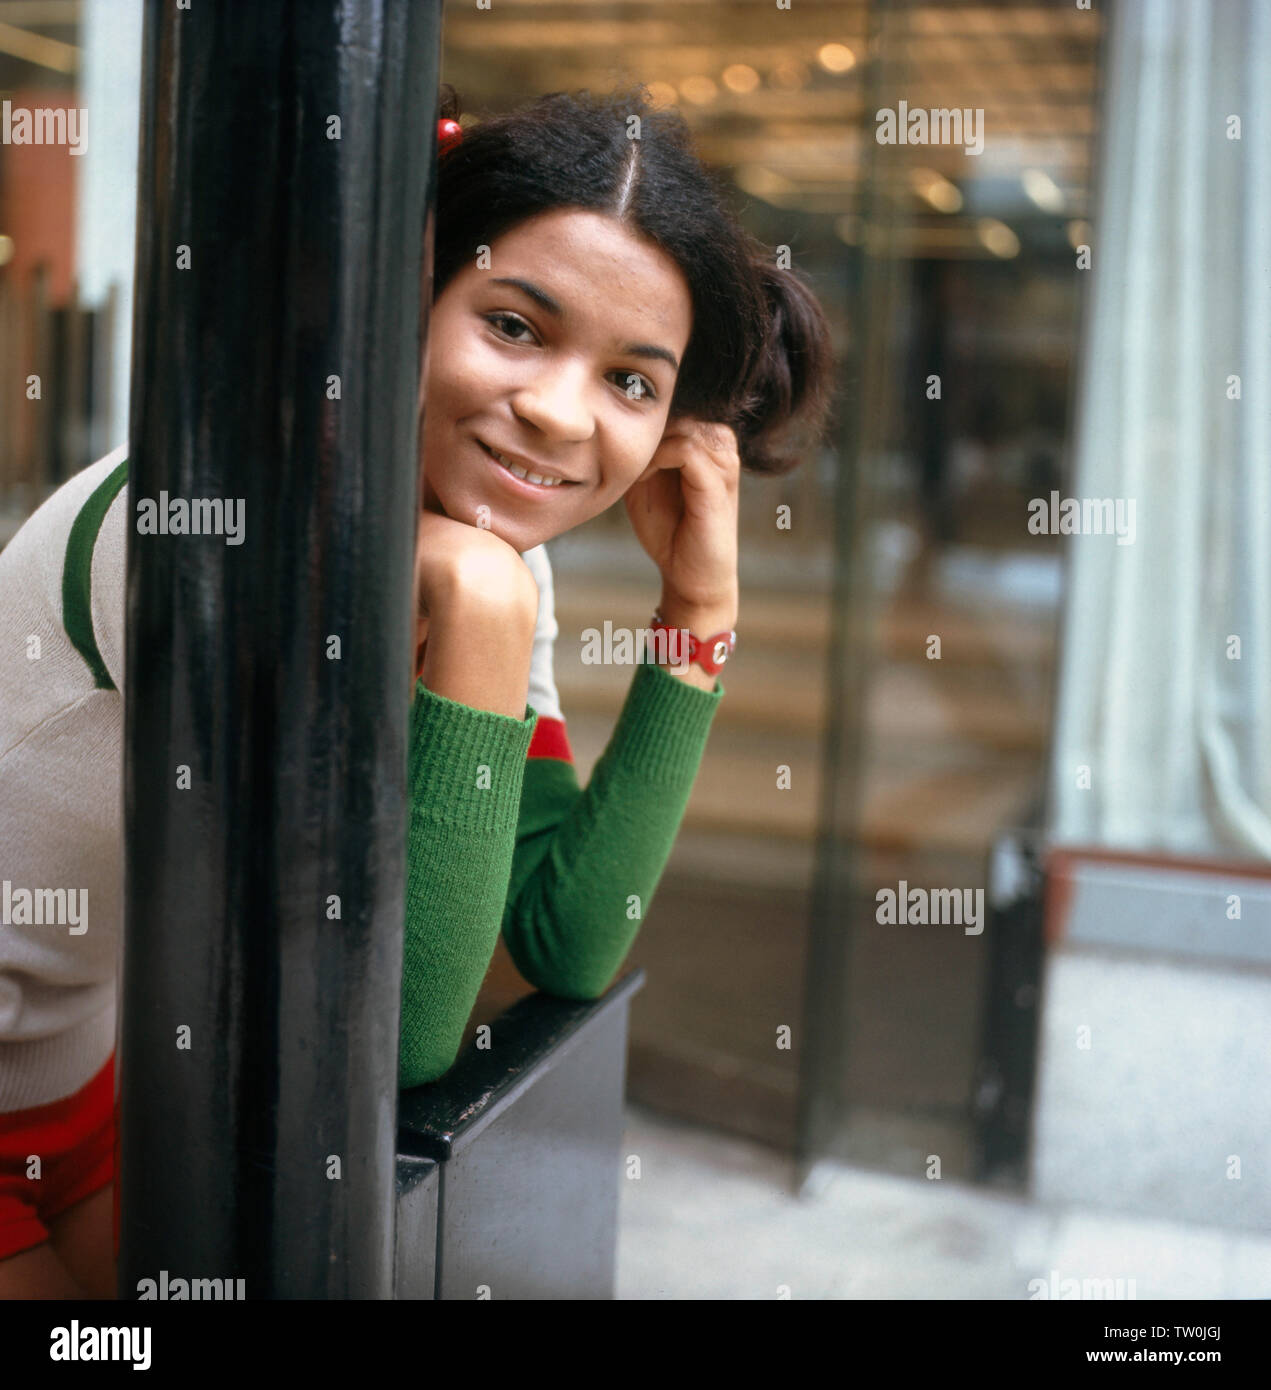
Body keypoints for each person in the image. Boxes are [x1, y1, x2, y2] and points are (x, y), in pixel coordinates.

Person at [0, 82, 833, 1299]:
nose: (557, 412)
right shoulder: (213, 526)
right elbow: (391, 1043)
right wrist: (486, 615)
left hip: (73, 1087)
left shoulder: (486, 562)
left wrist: (697, 623)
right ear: (404, 297)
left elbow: (563, 938)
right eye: (513, 325)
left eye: (631, 383)